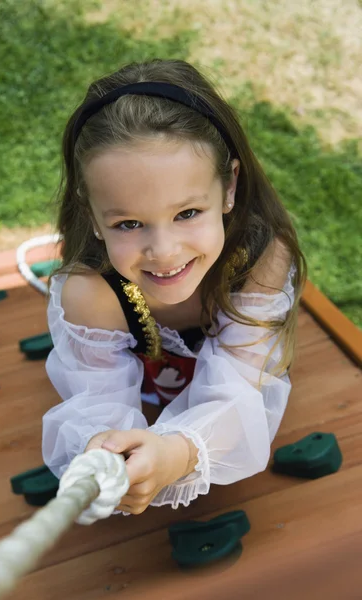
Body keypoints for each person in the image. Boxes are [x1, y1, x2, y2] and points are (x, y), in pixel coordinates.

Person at [42, 59, 306, 517]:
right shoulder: (92, 292)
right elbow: (95, 406)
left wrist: (180, 453)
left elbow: (243, 392)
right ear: (93, 217)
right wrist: (110, 455)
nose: (164, 252)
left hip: (229, 409)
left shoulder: (260, 260)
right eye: (128, 223)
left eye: (187, 213)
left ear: (228, 188)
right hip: (151, 395)